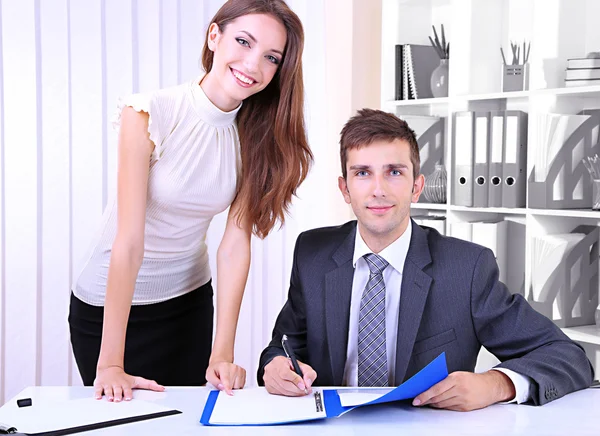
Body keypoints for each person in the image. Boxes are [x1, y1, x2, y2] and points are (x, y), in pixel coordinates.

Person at [258, 108, 594, 410]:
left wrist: (495, 384)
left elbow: (568, 357)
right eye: (362, 173)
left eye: (394, 172)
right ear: (345, 189)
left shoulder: (466, 268)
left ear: (416, 186)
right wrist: (275, 366)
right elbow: (286, 345)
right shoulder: (312, 253)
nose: (378, 189)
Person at [68, 0, 312, 403]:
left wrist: (223, 352)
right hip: (111, 309)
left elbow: (235, 246)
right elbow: (128, 241)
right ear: (213, 36)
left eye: (271, 57)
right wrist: (110, 362)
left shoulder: (256, 135)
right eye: (243, 42)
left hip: (188, 302)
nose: (253, 65)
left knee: (191, 420)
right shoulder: (149, 112)